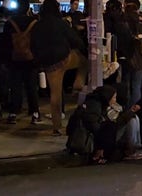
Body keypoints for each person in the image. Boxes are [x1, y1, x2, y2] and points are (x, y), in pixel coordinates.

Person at [31, 0, 88, 136]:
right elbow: (76, 41)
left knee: (55, 95)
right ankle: (78, 82)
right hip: (64, 58)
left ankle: (56, 127)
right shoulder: (61, 23)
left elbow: (33, 45)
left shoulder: (37, 25)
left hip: (49, 64)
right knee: (84, 61)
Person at [82, 85, 142, 164]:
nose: (115, 100)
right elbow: (99, 126)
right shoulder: (96, 107)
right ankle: (132, 150)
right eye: (114, 97)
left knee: (133, 118)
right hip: (100, 137)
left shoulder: (109, 106)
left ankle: (136, 148)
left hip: (107, 134)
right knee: (131, 120)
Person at [3, 0, 41, 125]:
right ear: (27, 8)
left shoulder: (9, 23)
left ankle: (13, 112)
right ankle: (34, 113)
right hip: (31, 59)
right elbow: (36, 42)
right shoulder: (34, 22)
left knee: (15, 86)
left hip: (14, 60)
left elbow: (6, 43)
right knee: (31, 86)